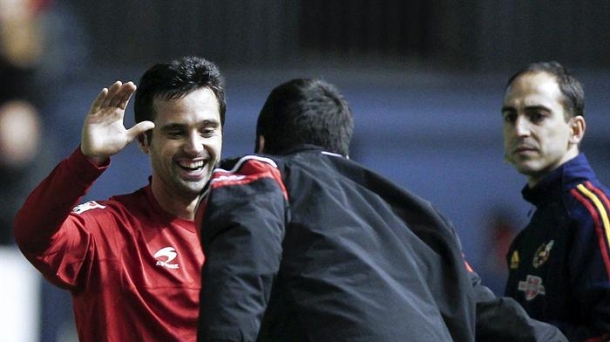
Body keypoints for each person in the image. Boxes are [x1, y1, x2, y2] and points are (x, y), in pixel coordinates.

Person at [195, 78, 568, 341]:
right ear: (341, 150)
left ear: (263, 143)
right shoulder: (419, 213)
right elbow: (488, 312)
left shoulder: (265, 171)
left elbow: (240, 277)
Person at [14, 55, 226, 342]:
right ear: (144, 141)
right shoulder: (106, 230)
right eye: (176, 132)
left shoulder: (245, 232)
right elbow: (33, 236)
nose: (194, 146)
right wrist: (85, 160)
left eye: (207, 130)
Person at [502, 61, 610, 341]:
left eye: (537, 116)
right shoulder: (537, 225)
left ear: (575, 130)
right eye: (510, 117)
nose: (520, 130)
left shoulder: (593, 214)